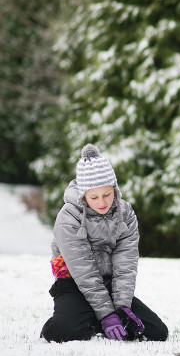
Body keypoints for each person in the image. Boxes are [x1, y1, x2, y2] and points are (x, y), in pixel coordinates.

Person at [41, 143, 168, 343]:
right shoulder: (68, 217)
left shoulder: (124, 213)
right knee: (67, 332)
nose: (102, 202)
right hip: (74, 283)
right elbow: (84, 271)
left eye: (107, 194)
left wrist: (122, 307)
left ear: (115, 190)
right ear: (83, 196)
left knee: (156, 332)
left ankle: (95, 316)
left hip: (109, 285)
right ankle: (66, 320)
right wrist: (107, 315)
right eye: (94, 197)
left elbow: (125, 265)